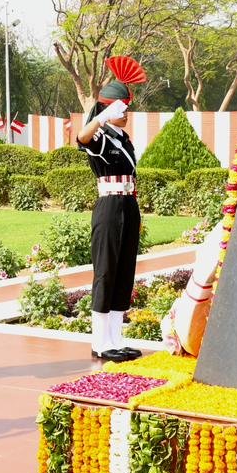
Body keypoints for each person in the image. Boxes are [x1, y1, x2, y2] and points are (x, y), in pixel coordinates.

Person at [76, 56, 149, 362]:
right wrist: (103, 117)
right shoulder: (101, 137)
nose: (126, 114)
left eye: (126, 109)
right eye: (122, 109)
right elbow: (82, 137)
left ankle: (116, 339)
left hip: (128, 205)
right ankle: (100, 342)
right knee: (106, 272)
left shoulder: (123, 140)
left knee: (124, 272)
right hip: (109, 206)